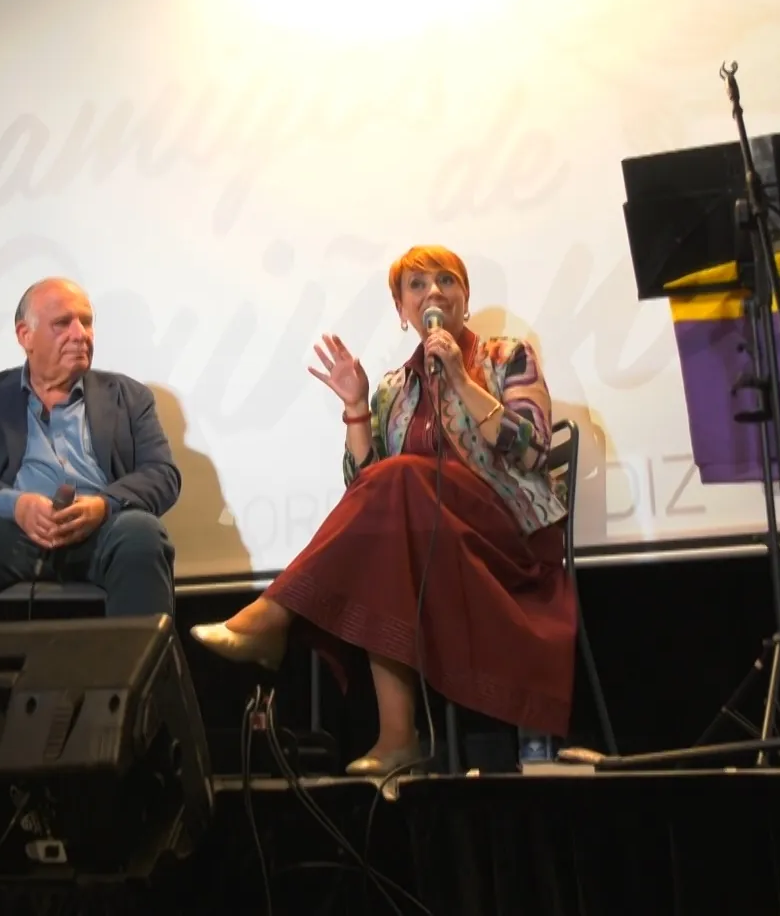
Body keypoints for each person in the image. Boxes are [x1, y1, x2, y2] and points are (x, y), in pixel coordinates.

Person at [189, 246, 576, 776]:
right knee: (386, 533)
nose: (433, 292)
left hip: (508, 545)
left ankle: (276, 613)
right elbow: (365, 492)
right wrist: (356, 407)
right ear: (401, 310)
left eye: (446, 280)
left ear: (465, 298)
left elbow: (532, 451)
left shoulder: (506, 357)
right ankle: (397, 739)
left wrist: (461, 379)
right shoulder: (395, 388)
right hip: (435, 547)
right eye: (417, 285)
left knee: (400, 481)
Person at [0, 278, 181, 626]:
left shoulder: (129, 396)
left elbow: (162, 475)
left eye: (86, 322)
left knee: (141, 532)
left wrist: (103, 506)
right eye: (63, 323)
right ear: (25, 335)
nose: (80, 334)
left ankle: (141, 662)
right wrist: (15, 505)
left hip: (100, 532)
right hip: (9, 533)